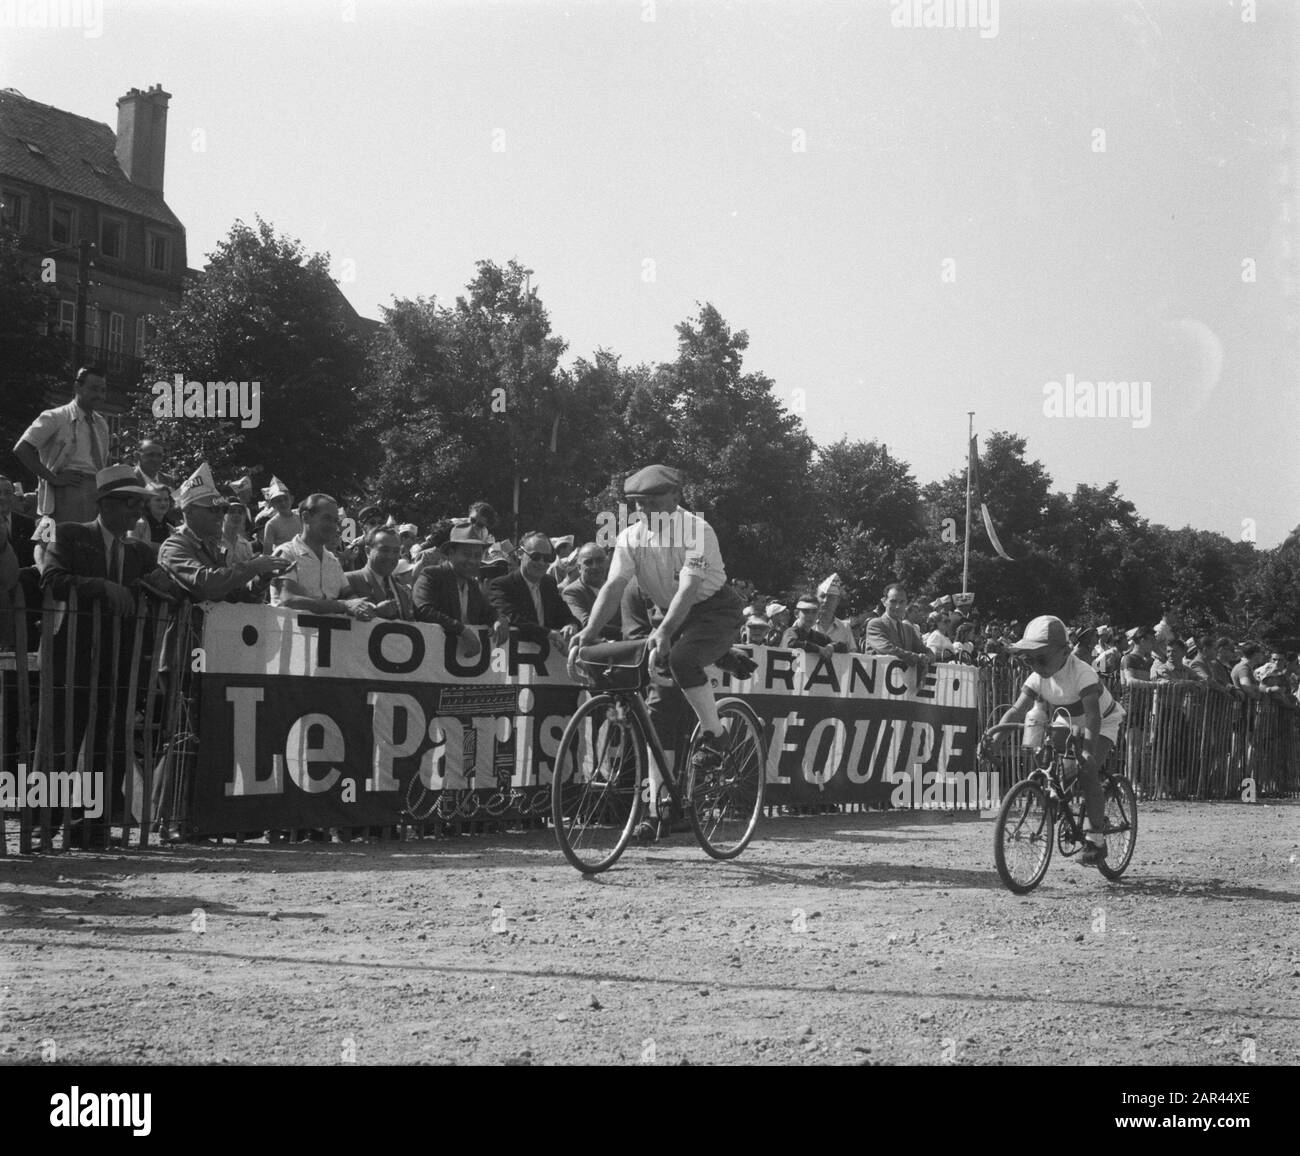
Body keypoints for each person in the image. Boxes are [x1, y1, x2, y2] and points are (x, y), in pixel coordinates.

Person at [567, 464, 744, 795]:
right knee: (659, 709)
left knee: (682, 658)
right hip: (671, 613)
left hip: (713, 610)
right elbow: (614, 586)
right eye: (636, 503)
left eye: (652, 501)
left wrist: (663, 631)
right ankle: (657, 806)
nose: (643, 510)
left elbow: (690, 588)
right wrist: (589, 631)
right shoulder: (630, 537)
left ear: (676, 496)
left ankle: (716, 735)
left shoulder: (697, 530)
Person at [39, 465, 175, 843]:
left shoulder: (140, 552)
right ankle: (49, 824)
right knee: (65, 739)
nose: (137, 512)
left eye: (141, 505)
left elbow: (166, 589)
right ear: (108, 504)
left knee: (109, 741)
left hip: (120, 660)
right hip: (75, 655)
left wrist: (160, 587)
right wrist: (99, 586)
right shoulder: (70, 535)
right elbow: (51, 580)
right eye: (132, 503)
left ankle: (94, 825)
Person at [983, 616, 1124, 867]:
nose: (1036, 665)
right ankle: (1059, 796)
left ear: (1065, 651)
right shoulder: (1038, 677)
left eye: (1042, 658)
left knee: (1086, 771)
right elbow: (1016, 710)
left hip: (1103, 720)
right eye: (1029, 659)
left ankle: (1097, 839)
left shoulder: (1082, 672)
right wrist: (995, 739)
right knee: (1053, 766)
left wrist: (1089, 752)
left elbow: (1093, 716)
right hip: (1068, 720)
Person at [13, 366, 112, 527]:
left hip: (94, 495)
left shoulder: (101, 424)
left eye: (103, 390)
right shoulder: (55, 417)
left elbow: (102, 463)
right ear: (77, 387)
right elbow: (22, 449)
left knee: (88, 548)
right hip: (63, 495)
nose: (99, 395)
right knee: (57, 545)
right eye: (94, 389)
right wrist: (54, 478)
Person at [269, 494, 376, 619]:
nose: (333, 526)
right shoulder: (286, 553)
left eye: (335, 521)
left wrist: (369, 608)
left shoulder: (332, 561)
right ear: (306, 517)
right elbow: (288, 600)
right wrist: (344, 605)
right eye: (326, 518)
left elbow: (348, 594)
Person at [411, 520, 495, 655]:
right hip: (433, 661)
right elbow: (423, 610)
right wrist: (462, 630)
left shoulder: (473, 585)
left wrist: (498, 620)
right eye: (466, 554)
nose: (472, 561)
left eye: (477, 555)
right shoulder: (432, 575)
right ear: (450, 553)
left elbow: (487, 613)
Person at [488, 530, 580, 649]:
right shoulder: (502, 585)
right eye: (535, 556)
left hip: (547, 659)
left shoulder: (549, 583)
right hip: (514, 657)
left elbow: (564, 614)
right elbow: (513, 617)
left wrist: (571, 625)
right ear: (520, 553)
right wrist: (549, 634)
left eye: (547, 558)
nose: (542, 562)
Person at [344, 525, 415, 620]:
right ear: (368, 551)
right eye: (384, 550)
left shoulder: (402, 592)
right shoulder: (347, 581)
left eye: (395, 551)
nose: (390, 556)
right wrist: (376, 612)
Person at [863, 583, 933, 674]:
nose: (898, 606)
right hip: (877, 681)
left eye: (902, 602)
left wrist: (929, 657)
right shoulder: (875, 624)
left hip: (901, 683)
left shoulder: (908, 628)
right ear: (884, 602)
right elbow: (887, 649)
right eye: (893, 601)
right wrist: (917, 658)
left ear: (906, 604)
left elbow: (924, 650)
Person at [562, 543, 621, 640]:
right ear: (579, 568)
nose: (595, 566)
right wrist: (626, 630)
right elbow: (586, 624)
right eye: (589, 562)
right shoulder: (572, 592)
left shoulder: (615, 587)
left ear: (607, 563)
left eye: (599, 560)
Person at [813, 573, 856, 653]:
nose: (825, 601)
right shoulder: (803, 623)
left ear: (838, 601)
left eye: (830, 597)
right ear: (816, 599)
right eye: (822, 596)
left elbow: (852, 657)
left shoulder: (845, 628)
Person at [258, 477, 302, 554]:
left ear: (291, 499)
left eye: (285, 499)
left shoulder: (300, 518)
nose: (283, 503)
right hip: (285, 563)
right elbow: (267, 553)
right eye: (278, 501)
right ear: (273, 504)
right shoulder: (271, 524)